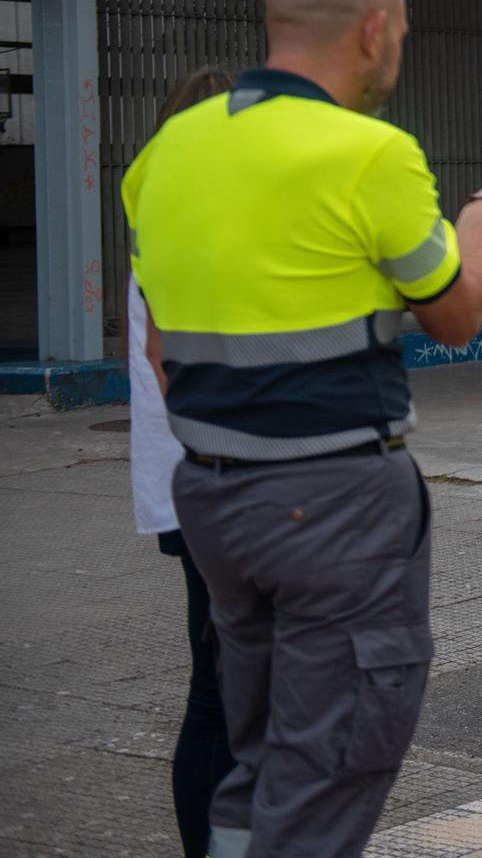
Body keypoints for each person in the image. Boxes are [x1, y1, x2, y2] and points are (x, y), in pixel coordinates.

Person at [121, 0, 482, 858]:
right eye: (398, 33)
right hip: (333, 507)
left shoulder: (167, 153)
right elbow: (456, 313)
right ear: (373, 31)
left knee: (263, 753)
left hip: (212, 499)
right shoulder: (370, 153)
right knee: (333, 761)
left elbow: (161, 347)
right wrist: (481, 212)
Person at [127, 65, 237, 858]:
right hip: (213, 483)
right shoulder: (195, 225)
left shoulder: (163, 213)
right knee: (224, 695)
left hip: (193, 483)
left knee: (228, 688)